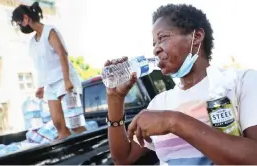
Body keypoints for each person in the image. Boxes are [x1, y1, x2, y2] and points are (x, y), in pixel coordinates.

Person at [105, 4, 257, 165]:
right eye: (154, 43)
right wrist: (115, 99)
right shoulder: (160, 103)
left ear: (197, 36)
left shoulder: (241, 82)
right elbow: (123, 158)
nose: (156, 49)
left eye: (162, 38)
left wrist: (173, 121)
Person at [11, 2, 82, 139]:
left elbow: (62, 54)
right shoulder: (33, 42)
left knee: (76, 123)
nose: (20, 26)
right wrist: (41, 86)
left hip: (65, 78)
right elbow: (41, 67)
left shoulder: (49, 31)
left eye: (19, 22)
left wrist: (67, 80)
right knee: (58, 124)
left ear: (26, 18)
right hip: (51, 84)